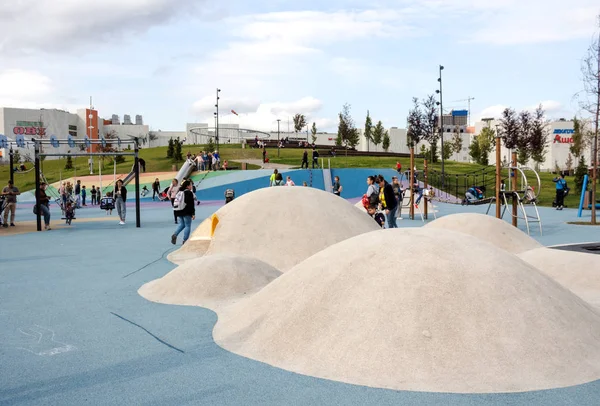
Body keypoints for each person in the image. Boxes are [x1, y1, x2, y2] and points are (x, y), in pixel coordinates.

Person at [171, 180, 196, 245]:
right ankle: (185, 241)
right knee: (187, 225)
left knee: (182, 224)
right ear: (187, 186)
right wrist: (193, 213)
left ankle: (175, 234)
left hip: (178, 210)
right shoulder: (188, 193)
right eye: (190, 185)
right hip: (186, 211)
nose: (191, 186)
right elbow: (191, 204)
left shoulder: (179, 192)